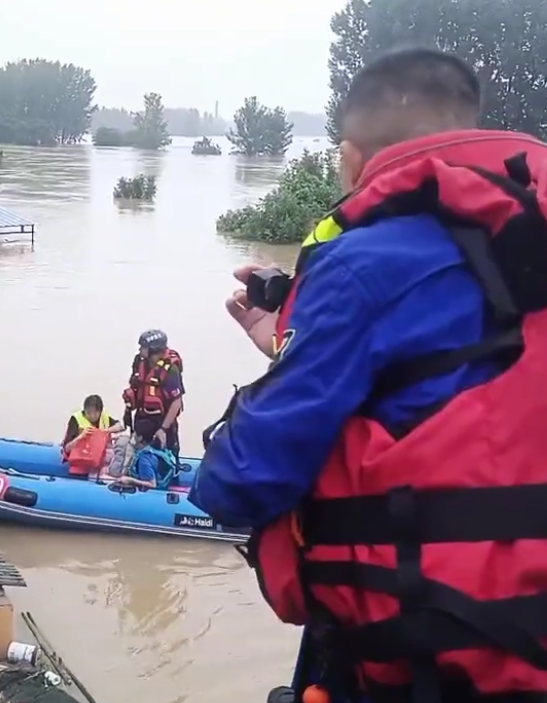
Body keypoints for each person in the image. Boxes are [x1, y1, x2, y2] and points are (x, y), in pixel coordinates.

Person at [192, 47, 547, 703]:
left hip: (429, 661)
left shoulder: (364, 266)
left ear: (353, 158)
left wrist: (292, 364)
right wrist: (292, 343)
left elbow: (242, 480)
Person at [122, 329, 184, 458]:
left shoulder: (170, 370)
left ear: (154, 350)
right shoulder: (139, 362)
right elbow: (135, 386)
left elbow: (176, 402)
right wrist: (128, 409)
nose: (140, 350)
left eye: (143, 347)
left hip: (162, 422)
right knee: (138, 459)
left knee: (164, 462)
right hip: (142, 420)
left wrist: (163, 429)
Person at [114, 416, 177, 490]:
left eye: (135, 433)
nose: (133, 435)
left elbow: (152, 484)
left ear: (140, 437)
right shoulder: (154, 448)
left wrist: (130, 480)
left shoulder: (144, 458)